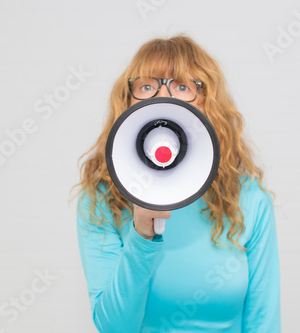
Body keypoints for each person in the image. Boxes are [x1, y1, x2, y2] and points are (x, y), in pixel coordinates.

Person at [72, 35, 281, 332]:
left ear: (209, 104)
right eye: (147, 85)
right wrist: (141, 236)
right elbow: (114, 327)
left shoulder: (248, 199)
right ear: (127, 101)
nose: (164, 97)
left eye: (183, 86)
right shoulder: (101, 202)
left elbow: (265, 322)